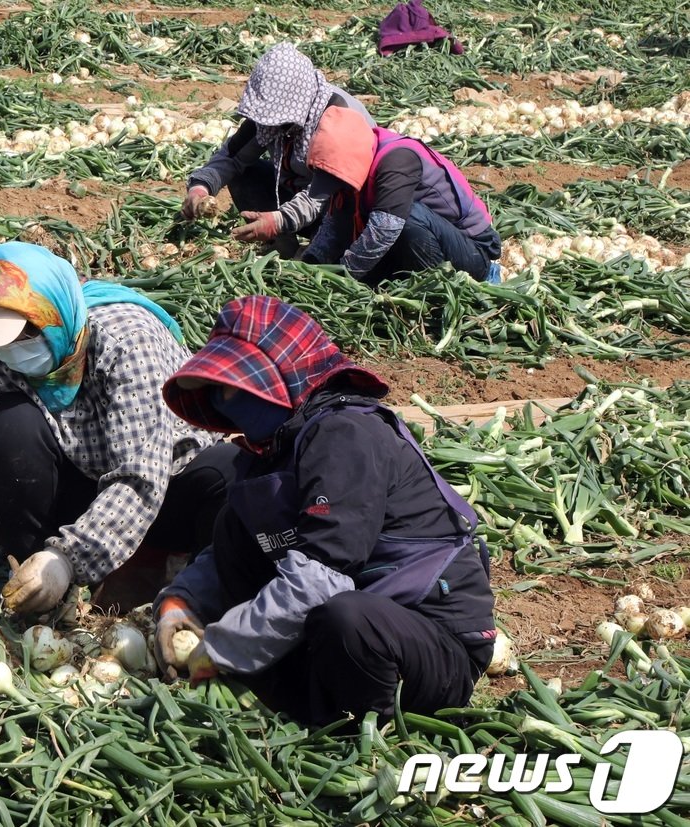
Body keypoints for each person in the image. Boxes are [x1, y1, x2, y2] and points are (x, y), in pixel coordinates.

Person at [153, 295, 495, 725]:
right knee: (237, 523)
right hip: (333, 632)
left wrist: (222, 647)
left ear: (281, 377)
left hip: (427, 639)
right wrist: (181, 603)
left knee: (347, 619)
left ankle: (374, 724)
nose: (222, 401)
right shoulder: (268, 452)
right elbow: (226, 554)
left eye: (232, 386)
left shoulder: (346, 435)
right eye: (218, 390)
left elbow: (324, 577)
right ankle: (300, 704)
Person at [0, 242, 240, 616]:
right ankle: (30, 575)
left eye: (22, 335)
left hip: (163, 485)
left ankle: (166, 568)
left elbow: (139, 477)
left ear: (52, 316)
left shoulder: (127, 341)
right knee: (10, 425)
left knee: (226, 472)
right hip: (80, 483)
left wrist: (68, 559)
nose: (9, 350)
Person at [179, 43, 376, 257]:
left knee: (323, 253)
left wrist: (277, 221)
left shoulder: (339, 118)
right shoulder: (273, 117)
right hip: (299, 200)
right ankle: (284, 245)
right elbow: (231, 157)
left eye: (275, 120)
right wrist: (200, 188)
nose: (268, 126)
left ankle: (327, 250)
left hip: (343, 208)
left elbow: (319, 195)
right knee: (244, 173)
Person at [297, 105, 503, 285]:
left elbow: (384, 230)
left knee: (406, 218)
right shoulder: (356, 168)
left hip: (472, 251)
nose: (338, 186)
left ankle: (442, 286)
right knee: (364, 265)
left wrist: (342, 278)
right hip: (417, 244)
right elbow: (336, 222)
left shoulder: (397, 161)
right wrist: (310, 264)